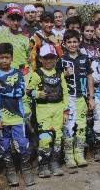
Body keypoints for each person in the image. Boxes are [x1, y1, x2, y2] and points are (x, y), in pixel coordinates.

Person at [0, 43, 35, 186]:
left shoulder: (18, 73)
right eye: (1, 57)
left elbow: (20, 92)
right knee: (4, 145)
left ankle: (26, 169)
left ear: (12, 58)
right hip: (2, 118)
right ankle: (10, 171)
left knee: (22, 143)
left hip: (17, 116)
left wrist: (3, 89)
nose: (4, 60)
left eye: (7, 57)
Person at [26, 44, 69, 178]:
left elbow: (65, 93)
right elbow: (28, 91)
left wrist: (66, 111)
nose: (49, 61)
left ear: (56, 59)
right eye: (46, 58)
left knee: (58, 137)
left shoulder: (59, 73)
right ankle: (42, 165)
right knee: (45, 137)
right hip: (43, 109)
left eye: (52, 58)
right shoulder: (36, 74)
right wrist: (37, 94)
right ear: (40, 59)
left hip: (58, 109)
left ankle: (54, 164)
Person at [57, 30, 95, 169]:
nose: (72, 45)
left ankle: (79, 154)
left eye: (75, 42)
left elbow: (90, 78)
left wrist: (91, 97)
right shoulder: (61, 59)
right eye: (69, 42)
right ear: (65, 43)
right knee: (68, 127)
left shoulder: (85, 58)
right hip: (67, 99)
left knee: (82, 126)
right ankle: (68, 155)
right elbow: (55, 78)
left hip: (81, 98)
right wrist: (64, 74)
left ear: (79, 42)